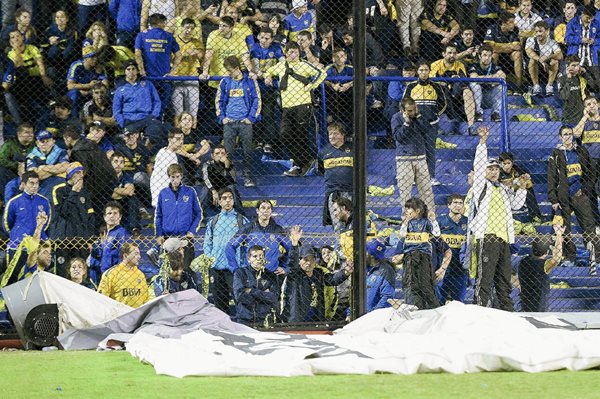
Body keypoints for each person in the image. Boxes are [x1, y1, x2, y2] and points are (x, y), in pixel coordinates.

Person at [465, 126, 528, 311]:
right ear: (483, 172)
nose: (493, 172)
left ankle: (508, 312)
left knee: (503, 280)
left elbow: (516, 205)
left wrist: (522, 188)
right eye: (490, 169)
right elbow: (478, 164)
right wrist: (482, 143)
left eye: (496, 169)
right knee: (484, 279)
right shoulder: (480, 187)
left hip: (504, 240)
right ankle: (479, 311)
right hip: (488, 237)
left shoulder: (503, 189)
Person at [264, 41, 326, 177]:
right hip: (287, 107)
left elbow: (322, 73)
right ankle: (301, 162)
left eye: (296, 52)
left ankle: (304, 163)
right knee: (285, 134)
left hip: (303, 105)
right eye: (290, 52)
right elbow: (268, 71)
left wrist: (310, 86)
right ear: (285, 53)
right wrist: (267, 76)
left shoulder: (304, 64)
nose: (293, 54)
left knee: (302, 134)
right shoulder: (280, 66)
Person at [548, 126, 600, 275]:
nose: (568, 137)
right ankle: (570, 256)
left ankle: (596, 256)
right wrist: (553, 198)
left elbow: (592, 172)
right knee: (565, 229)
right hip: (563, 197)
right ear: (560, 137)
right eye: (565, 134)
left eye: (570, 134)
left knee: (588, 225)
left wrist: (585, 189)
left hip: (580, 195)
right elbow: (551, 177)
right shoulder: (556, 155)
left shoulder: (581, 151)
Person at [284, 225, 351, 322]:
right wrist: (294, 244)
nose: (309, 263)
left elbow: (332, 279)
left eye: (312, 260)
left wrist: (345, 272)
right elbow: (291, 264)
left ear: (315, 261)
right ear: (299, 261)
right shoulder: (295, 275)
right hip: (298, 319)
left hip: (316, 318)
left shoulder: (319, 273)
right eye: (306, 259)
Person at [215, 55, 262, 188]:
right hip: (229, 122)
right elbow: (219, 100)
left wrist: (251, 118)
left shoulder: (250, 81)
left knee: (247, 151)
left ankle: (247, 176)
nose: (228, 73)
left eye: (230, 70)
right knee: (228, 152)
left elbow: (256, 100)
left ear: (237, 68)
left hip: (245, 122)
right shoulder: (225, 82)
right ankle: (229, 177)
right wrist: (222, 117)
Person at [203, 188, 249, 314]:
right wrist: (211, 260)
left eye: (230, 197)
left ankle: (243, 326)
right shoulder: (213, 221)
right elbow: (207, 243)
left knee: (239, 300)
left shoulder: (242, 221)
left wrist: (243, 265)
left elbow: (248, 245)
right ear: (219, 201)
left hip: (235, 269)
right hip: (216, 267)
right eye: (224, 198)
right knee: (219, 305)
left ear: (234, 200)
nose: (228, 200)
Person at [48, 162, 95, 273]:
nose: (81, 176)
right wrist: (74, 192)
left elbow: (90, 217)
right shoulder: (59, 190)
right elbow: (64, 212)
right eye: (77, 172)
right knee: (62, 272)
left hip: (81, 240)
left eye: (82, 173)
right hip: (63, 239)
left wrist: (89, 239)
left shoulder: (85, 193)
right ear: (70, 175)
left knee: (81, 272)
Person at [391, 97, 436, 213]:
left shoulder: (419, 116)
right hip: (404, 159)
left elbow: (427, 130)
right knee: (405, 192)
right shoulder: (396, 118)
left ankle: (430, 218)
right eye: (410, 110)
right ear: (403, 110)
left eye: (414, 109)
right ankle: (406, 219)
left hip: (420, 157)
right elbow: (398, 137)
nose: (412, 112)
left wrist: (418, 117)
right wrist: (406, 123)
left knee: (426, 190)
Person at [402, 62, 446, 180]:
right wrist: (411, 116)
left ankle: (431, 177)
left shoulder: (436, 86)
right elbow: (404, 103)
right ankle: (415, 177)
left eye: (426, 70)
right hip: (415, 124)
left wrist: (434, 114)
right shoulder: (411, 86)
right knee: (414, 150)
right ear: (417, 71)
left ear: (429, 71)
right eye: (421, 70)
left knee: (430, 151)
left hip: (431, 125)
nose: (424, 72)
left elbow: (443, 103)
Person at [63, 127, 119, 218]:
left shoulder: (77, 151)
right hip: (109, 181)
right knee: (103, 211)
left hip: (97, 186)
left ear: (69, 138)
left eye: (64, 139)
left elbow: (83, 170)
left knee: (95, 214)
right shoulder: (90, 143)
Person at [226, 199, 291, 276]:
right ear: (257, 211)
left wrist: (285, 267)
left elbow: (291, 248)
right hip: (251, 275)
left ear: (271, 211)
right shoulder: (248, 228)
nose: (266, 210)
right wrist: (235, 269)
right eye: (263, 208)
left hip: (272, 274)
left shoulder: (277, 229)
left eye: (268, 208)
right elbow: (230, 246)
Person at [397, 197, 441, 309]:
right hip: (410, 256)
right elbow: (402, 234)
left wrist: (434, 221)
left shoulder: (426, 222)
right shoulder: (408, 223)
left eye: (409, 209)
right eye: (406, 209)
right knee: (412, 284)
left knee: (425, 284)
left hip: (423, 255)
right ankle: (417, 306)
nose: (406, 211)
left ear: (418, 210)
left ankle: (434, 307)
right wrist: (405, 223)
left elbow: (436, 234)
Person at [134, 13, 182, 111]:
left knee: (148, 104)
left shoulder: (142, 35)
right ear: (160, 23)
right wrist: (172, 72)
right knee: (164, 106)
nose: (166, 24)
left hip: (148, 76)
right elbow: (179, 55)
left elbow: (137, 53)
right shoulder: (168, 36)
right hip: (165, 77)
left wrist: (141, 70)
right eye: (164, 22)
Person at [112, 60, 164, 149]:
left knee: (156, 131)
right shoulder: (120, 88)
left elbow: (157, 101)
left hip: (146, 118)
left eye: (133, 69)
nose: (131, 72)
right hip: (129, 120)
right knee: (128, 141)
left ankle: (147, 149)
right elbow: (116, 110)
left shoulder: (147, 84)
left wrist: (154, 115)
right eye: (128, 69)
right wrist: (122, 122)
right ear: (125, 71)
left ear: (137, 70)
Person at [250, 27, 285, 153]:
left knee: (268, 116)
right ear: (258, 36)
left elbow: (283, 63)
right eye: (261, 37)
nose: (263, 40)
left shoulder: (276, 47)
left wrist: (270, 73)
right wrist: (267, 75)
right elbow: (255, 69)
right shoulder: (254, 48)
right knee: (256, 114)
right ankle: (258, 141)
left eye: (267, 38)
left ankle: (268, 142)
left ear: (271, 39)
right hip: (256, 88)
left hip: (270, 88)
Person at [154, 163, 203, 253]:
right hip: (167, 237)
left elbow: (198, 213)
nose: (175, 180)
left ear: (181, 176)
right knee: (167, 266)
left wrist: (192, 231)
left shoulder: (190, 192)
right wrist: (159, 234)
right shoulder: (163, 193)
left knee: (186, 266)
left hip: (185, 237)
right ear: (169, 177)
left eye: (178, 176)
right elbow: (159, 216)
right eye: (173, 177)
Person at [430, 44, 476, 136]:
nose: (452, 55)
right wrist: (449, 81)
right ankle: (435, 124)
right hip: (441, 95)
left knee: (468, 92)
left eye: (454, 53)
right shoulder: (435, 64)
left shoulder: (460, 65)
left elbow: (464, 82)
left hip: (456, 94)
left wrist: (456, 79)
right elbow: (432, 81)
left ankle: (471, 126)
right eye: (449, 53)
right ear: (443, 54)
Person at [518, 225, 565, 312]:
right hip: (539, 303)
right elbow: (556, 259)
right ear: (547, 252)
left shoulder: (524, 261)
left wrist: (518, 285)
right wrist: (559, 236)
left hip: (525, 302)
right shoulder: (544, 264)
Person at [199, 16, 253, 89]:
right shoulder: (213, 35)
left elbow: (245, 55)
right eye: (220, 25)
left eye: (224, 26)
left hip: (235, 77)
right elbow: (209, 54)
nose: (221, 28)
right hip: (217, 77)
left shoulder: (239, 34)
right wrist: (205, 72)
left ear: (231, 27)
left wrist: (251, 71)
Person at [317, 123, 353, 233]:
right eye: (330, 134)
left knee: (352, 223)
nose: (332, 136)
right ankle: (340, 248)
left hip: (351, 192)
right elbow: (321, 170)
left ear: (343, 135)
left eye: (335, 133)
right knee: (337, 225)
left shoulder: (353, 149)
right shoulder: (323, 152)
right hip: (333, 193)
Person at [0, 208, 49, 286]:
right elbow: (34, 249)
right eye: (45, 253)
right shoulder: (32, 265)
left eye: (50, 253)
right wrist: (39, 226)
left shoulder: (48, 273)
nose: (49, 256)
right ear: (37, 255)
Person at [232, 245, 278, 325]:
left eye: (261, 256)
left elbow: (273, 297)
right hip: (244, 319)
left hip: (264, 319)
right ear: (249, 259)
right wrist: (263, 294)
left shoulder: (270, 275)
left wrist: (251, 291)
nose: (258, 259)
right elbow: (239, 295)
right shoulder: (240, 273)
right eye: (255, 256)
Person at [436, 194, 469, 303]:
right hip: (443, 266)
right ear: (449, 205)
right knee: (440, 300)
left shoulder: (468, 222)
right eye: (455, 203)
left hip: (460, 266)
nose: (458, 205)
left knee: (459, 301)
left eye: (460, 203)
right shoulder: (440, 221)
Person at [98, 242, 149, 308]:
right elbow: (102, 298)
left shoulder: (140, 274)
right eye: (136, 254)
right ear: (125, 255)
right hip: (119, 315)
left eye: (139, 254)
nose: (139, 257)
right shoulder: (111, 273)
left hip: (138, 315)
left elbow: (146, 299)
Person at [171, 17, 205, 117]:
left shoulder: (196, 42)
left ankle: (192, 130)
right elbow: (170, 57)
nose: (189, 30)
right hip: (177, 75)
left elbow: (201, 56)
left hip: (192, 76)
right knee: (178, 111)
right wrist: (182, 54)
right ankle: (178, 131)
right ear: (181, 27)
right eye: (187, 28)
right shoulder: (174, 40)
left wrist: (196, 52)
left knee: (193, 110)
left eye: (191, 28)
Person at [91, 201, 131, 283]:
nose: (112, 216)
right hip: (104, 274)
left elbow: (123, 255)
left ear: (120, 217)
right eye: (109, 213)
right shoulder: (106, 234)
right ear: (104, 217)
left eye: (115, 213)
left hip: (116, 275)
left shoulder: (121, 233)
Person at [484, 12, 524, 91]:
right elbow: (489, 47)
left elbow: (517, 47)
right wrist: (509, 45)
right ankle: (492, 81)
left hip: (510, 56)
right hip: (497, 56)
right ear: (503, 23)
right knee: (494, 54)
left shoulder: (515, 30)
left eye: (513, 22)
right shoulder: (492, 28)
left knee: (518, 54)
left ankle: (519, 85)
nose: (513, 24)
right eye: (511, 22)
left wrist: (498, 46)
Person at [499, 152, 542, 223]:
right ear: (500, 163)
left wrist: (526, 178)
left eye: (508, 163)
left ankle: (535, 215)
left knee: (528, 188)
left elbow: (528, 183)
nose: (506, 166)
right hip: (503, 194)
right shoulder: (498, 172)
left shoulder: (517, 169)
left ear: (512, 163)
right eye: (504, 163)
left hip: (515, 192)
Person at [201, 145, 244, 216]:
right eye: (217, 153)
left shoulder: (230, 164)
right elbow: (206, 179)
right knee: (205, 189)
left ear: (226, 155)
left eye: (222, 153)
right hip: (212, 191)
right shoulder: (207, 164)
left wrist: (226, 165)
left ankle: (240, 215)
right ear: (212, 156)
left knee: (232, 187)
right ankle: (200, 216)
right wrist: (213, 191)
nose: (220, 155)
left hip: (225, 190)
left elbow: (233, 179)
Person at [469, 45, 505, 123]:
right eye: (485, 55)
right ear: (479, 56)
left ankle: (495, 113)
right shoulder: (474, 66)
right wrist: (493, 78)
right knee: (474, 85)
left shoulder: (494, 67)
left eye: (489, 55)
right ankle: (478, 112)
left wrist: (481, 78)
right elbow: (474, 78)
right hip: (476, 99)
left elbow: (502, 77)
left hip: (489, 98)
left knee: (500, 86)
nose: (487, 58)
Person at [525, 21, 562, 97]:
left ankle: (549, 86)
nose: (538, 34)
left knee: (555, 60)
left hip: (548, 70)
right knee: (532, 60)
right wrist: (541, 60)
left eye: (540, 31)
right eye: (536, 31)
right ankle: (536, 86)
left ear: (547, 31)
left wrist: (548, 57)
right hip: (534, 70)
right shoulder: (531, 40)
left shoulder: (552, 42)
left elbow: (560, 55)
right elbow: (528, 51)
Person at [66, 46, 105, 116]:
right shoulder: (76, 66)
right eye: (92, 57)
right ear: (85, 58)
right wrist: (89, 85)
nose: (95, 59)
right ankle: (74, 118)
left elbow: (105, 84)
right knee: (74, 93)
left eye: (96, 56)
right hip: (79, 93)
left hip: (93, 93)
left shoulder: (99, 66)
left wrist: (99, 74)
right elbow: (70, 86)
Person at [0, 123, 34, 200]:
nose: (30, 135)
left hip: (31, 171)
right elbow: (1, 159)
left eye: (31, 132)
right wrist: (16, 165)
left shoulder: (36, 144)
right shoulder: (10, 144)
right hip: (13, 173)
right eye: (26, 132)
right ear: (19, 134)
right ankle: (5, 199)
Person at [150, 129, 183, 207]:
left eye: (182, 139)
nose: (181, 142)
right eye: (178, 139)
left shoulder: (164, 151)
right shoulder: (167, 157)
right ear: (170, 140)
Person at [365, 238, 395, 313]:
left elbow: (387, 297)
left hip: (375, 317)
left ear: (371, 255)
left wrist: (374, 314)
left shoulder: (386, 270)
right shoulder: (363, 269)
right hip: (361, 316)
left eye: (365, 251)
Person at [558, 55, 589, 127]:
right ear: (567, 66)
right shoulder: (562, 78)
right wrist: (569, 78)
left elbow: (594, 87)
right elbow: (564, 96)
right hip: (569, 118)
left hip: (583, 117)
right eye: (573, 65)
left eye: (578, 65)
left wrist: (585, 73)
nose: (577, 68)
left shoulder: (581, 77)